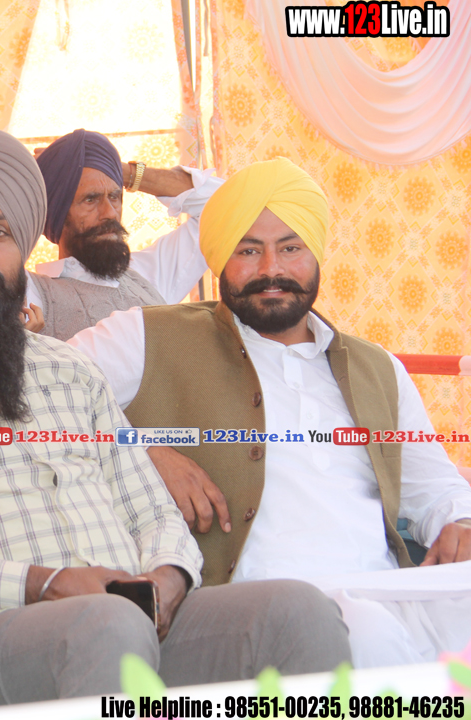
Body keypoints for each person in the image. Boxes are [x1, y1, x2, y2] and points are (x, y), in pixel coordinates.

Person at [0, 126, 351, 704]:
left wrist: (168, 577)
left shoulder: (69, 366)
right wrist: (44, 585)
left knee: (297, 612)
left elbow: (151, 509)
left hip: (135, 616)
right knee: (107, 627)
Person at [69, 157, 471, 668]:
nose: (270, 270)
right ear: (220, 258)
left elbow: (434, 487)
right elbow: (36, 396)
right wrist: (141, 452)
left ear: (316, 253)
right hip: (258, 614)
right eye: (248, 250)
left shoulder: (378, 368)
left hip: (388, 592)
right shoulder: (145, 335)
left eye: (290, 248)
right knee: (367, 638)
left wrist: (459, 519)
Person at [27, 128, 223, 340]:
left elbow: (226, 203)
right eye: (90, 200)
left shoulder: (147, 273)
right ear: (56, 211)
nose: (110, 213)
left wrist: (123, 172)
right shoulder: (33, 293)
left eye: (114, 196)